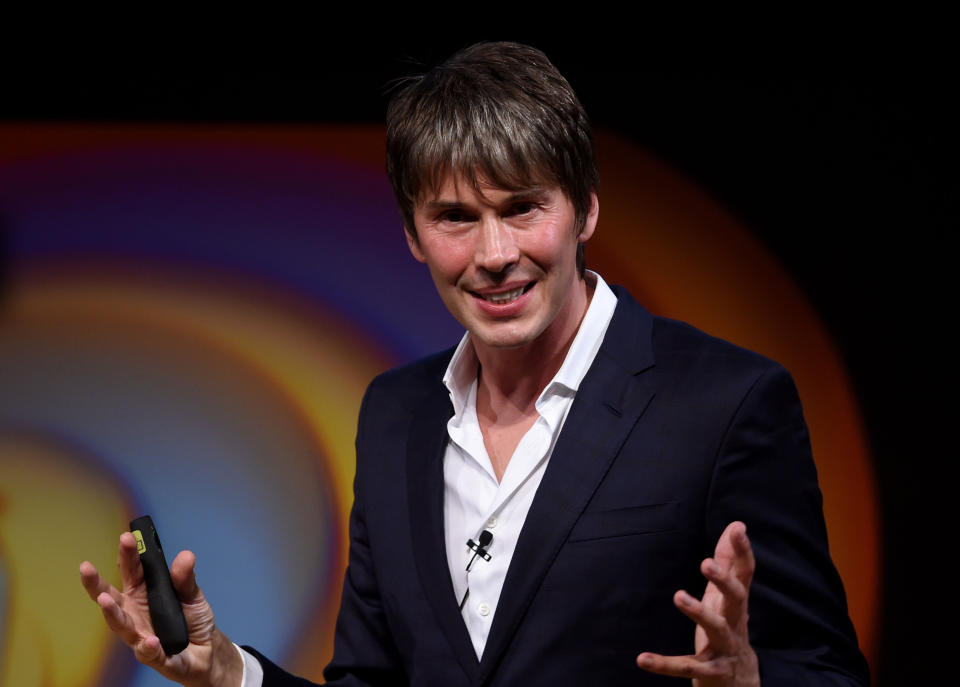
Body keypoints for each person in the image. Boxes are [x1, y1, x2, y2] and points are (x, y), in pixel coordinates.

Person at [80, 42, 870, 686]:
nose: (495, 255)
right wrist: (226, 671)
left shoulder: (728, 402)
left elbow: (830, 669)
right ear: (414, 234)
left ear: (585, 207)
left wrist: (757, 681)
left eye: (523, 207)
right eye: (456, 217)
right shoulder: (395, 414)